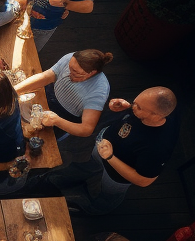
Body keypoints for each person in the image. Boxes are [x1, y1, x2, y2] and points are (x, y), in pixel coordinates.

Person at [44, 88, 179, 214]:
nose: (133, 107)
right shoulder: (145, 109)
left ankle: (94, 208)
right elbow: (135, 108)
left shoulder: (159, 146)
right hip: (104, 149)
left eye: (138, 107)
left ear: (155, 115)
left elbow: (144, 181)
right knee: (89, 166)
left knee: (108, 196)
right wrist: (124, 106)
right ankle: (76, 178)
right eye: (135, 102)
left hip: (116, 174)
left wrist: (110, 157)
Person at [15, 49, 113, 139]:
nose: (68, 73)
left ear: (91, 73)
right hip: (47, 96)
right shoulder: (72, 58)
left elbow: (86, 129)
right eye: (69, 67)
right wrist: (14, 90)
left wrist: (56, 121)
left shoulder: (99, 90)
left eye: (74, 71)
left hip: (63, 118)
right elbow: (46, 76)